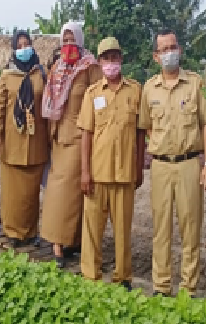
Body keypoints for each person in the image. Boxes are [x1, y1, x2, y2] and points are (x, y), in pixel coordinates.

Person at [138, 29, 206, 298]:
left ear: (179, 50)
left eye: (173, 47)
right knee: (160, 229)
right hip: (160, 166)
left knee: (190, 228)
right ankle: (161, 286)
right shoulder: (149, 88)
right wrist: (161, 145)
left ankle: (188, 287)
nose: (169, 52)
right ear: (156, 56)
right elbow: (146, 126)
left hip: (188, 165)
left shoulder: (194, 84)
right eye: (164, 49)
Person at [77, 37, 144, 291]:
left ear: (121, 60)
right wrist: (84, 172)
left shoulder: (135, 91)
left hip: (125, 173)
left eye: (115, 57)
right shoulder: (92, 93)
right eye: (106, 58)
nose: (111, 62)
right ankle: (90, 277)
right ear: (99, 61)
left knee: (123, 231)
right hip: (97, 173)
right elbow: (86, 134)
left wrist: (139, 169)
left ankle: (123, 278)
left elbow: (140, 133)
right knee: (92, 229)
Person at [40, 22, 102, 268]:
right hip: (58, 135)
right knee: (66, 190)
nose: (68, 45)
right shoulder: (58, 67)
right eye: (64, 41)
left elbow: (99, 99)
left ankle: (60, 243)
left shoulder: (90, 67)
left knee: (66, 191)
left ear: (80, 40)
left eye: (71, 40)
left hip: (79, 136)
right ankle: (67, 241)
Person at [0, 30, 49, 247]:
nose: (24, 48)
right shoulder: (7, 75)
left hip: (36, 140)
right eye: (20, 45)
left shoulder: (40, 74)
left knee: (31, 194)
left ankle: (31, 231)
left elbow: (47, 105)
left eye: (27, 44)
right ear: (14, 50)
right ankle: (13, 232)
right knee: (13, 193)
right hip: (12, 140)